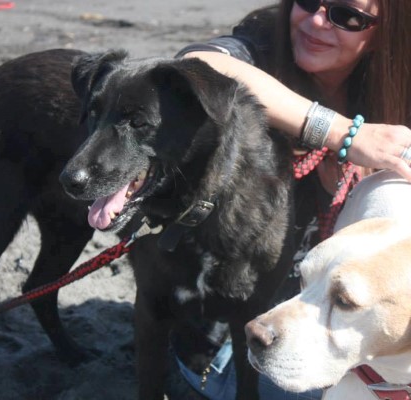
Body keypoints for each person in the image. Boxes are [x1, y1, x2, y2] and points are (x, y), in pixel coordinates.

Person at [170, 0, 411, 399]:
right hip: (234, 343)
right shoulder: (263, 47)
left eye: (347, 16)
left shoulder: (392, 79)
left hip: (324, 322)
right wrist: (343, 133)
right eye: (308, 0)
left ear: (386, 33)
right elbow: (196, 66)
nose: (317, 20)